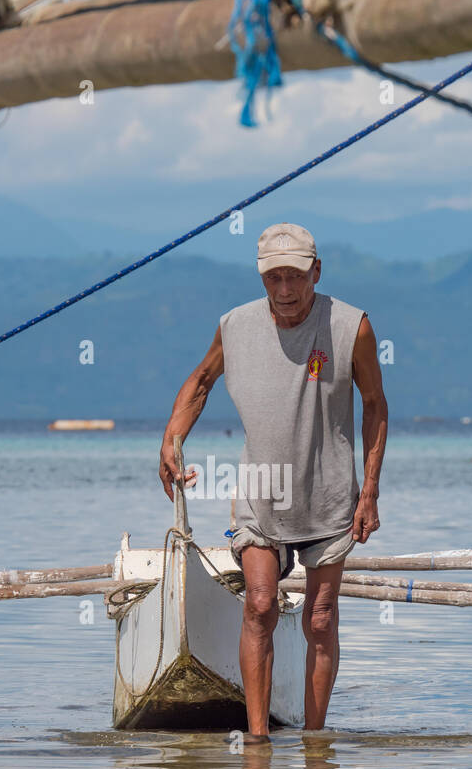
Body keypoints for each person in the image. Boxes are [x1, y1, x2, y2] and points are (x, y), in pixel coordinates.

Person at [158, 223, 387, 737]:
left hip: (330, 498)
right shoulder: (235, 326)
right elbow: (200, 382)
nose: (284, 290)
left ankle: (314, 743)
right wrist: (171, 439)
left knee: (321, 619)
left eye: (295, 277)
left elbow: (375, 404)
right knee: (260, 604)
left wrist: (369, 489)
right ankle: (258, 741)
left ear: (316, 272)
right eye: (274, 278)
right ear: (262, 277)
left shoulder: (352, 326)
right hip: (264, 492)